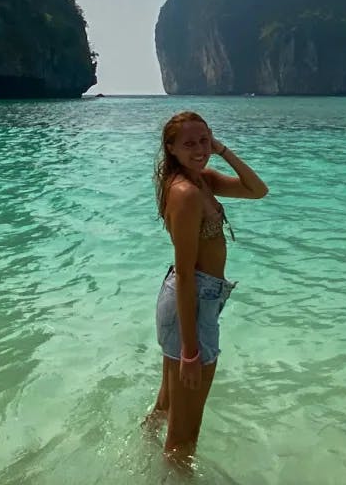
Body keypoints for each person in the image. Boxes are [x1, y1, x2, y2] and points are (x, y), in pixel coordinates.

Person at [145, 110, 269, 463]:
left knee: (167, 409)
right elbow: (185, 273)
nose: (199, 149)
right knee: (184, 438)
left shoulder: (202, 180)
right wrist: (190, 352)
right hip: (192, 301)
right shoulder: (185, 192)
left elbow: (258, 190)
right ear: (171, 149)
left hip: (197, 298)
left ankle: (139, 462)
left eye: (204, 140)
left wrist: (221, 150)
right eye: (189, 144)